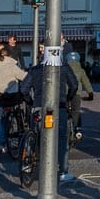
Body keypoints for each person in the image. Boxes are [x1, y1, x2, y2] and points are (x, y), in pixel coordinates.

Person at [20, 46, 81, 181]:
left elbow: (23, 89)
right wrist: (68, 98)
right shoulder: (64, 68)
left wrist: (30, 102)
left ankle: (28, 162)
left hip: (39, 107)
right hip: (59, 106)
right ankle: (63, 171)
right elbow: (74, 86)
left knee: (34, 134)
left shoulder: (35, 70)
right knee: (62, 138)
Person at [0, 45, 27, 157]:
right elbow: (24, 77)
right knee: (4, 121)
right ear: (10, 56)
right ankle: (3, 145)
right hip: (8, 98)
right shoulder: (12, 66)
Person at [66, 51, 95, 140]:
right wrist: (90, 94)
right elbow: (86, 82)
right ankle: (76, 130)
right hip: (76, 94)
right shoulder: (81, 70)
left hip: (65, 94)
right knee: (76, 112)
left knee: (63, 111)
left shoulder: (64, 69)